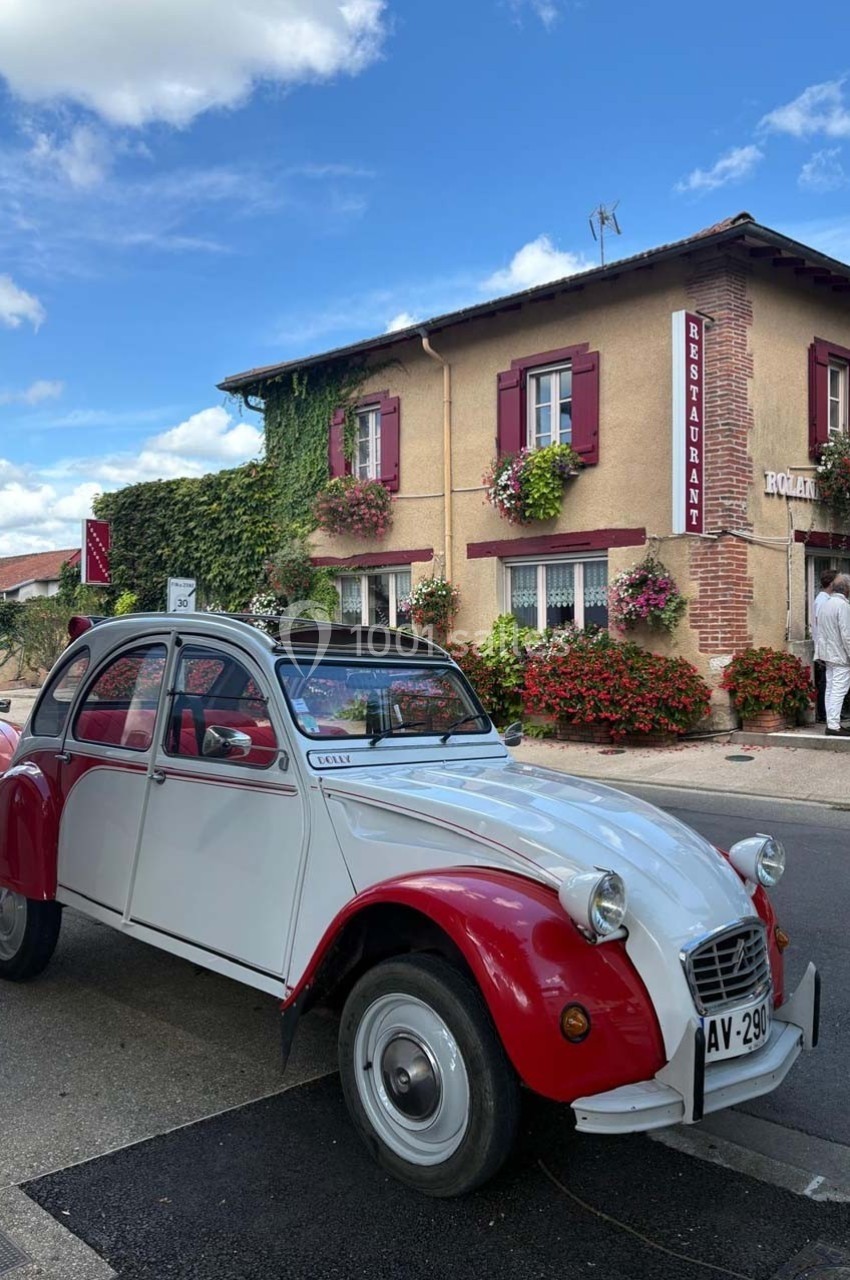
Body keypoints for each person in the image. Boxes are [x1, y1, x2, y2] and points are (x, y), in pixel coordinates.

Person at [815, 573, 850, 737]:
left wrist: (819, 653)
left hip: (827, 654)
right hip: (840, 655)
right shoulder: (842, 606)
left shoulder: (826, 604)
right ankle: (834, 725)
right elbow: (847, 634)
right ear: (847, 589)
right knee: (839, 689)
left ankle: (831, 723)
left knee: (830, 689)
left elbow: (819, 631)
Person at [812, 568, 837, 723]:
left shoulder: (823, 599)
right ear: (832, 583)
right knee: (827, 682)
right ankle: (824, 713)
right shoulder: (823, 601)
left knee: (829, 682)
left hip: (825, 645)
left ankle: (828, 713)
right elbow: (823, 624)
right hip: (826, 646)